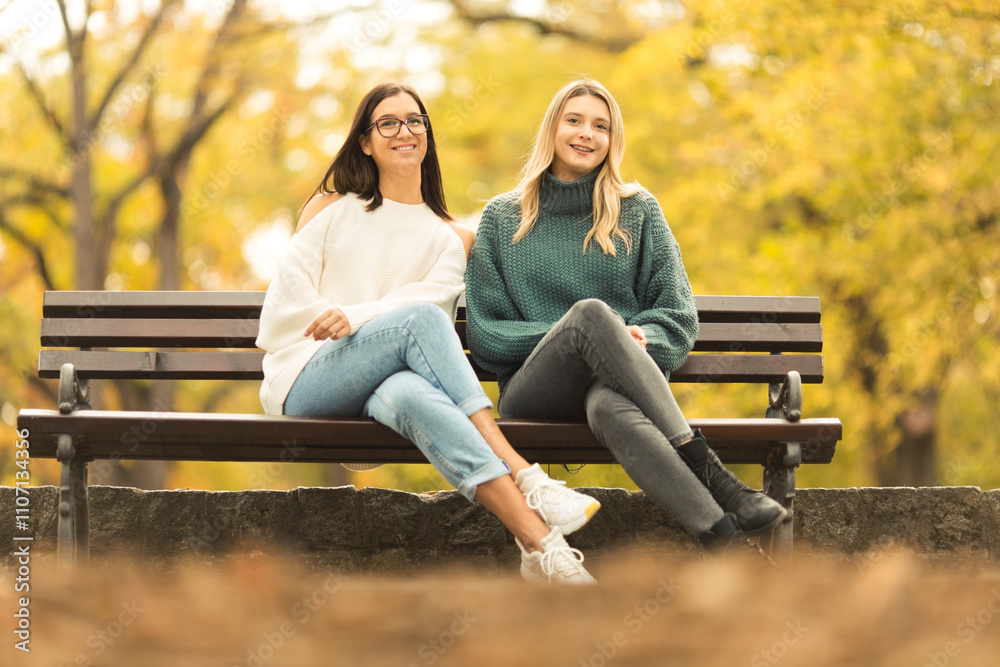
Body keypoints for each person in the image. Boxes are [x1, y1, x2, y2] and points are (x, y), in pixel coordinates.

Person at [255, 83, 600, 584]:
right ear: (366, 143)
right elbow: (286, 305)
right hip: (305, 378)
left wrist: (359, 316)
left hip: (384, 384)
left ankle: (542, 546)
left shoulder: (453, 237)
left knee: (411, 391)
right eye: (387, 122)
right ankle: (525, 473)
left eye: (415, 120)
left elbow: (431, 314)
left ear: (428, 137)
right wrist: (357, 319)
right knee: (417, 321)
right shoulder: (331, 208)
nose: (404, 131)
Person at [464, 79, 786, 554]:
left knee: (607, 408)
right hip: (536, 392)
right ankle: (712, 472)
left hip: (615, 387)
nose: (586, 134)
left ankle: (724, 541)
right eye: (574, 120)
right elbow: (488, 335)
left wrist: (639, 338)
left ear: (613, 140)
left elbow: (676, 317)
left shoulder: (638, 211)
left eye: (601, 126)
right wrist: (579, 333)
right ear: (552, 127)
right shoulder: (503, 217)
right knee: (592, 316)